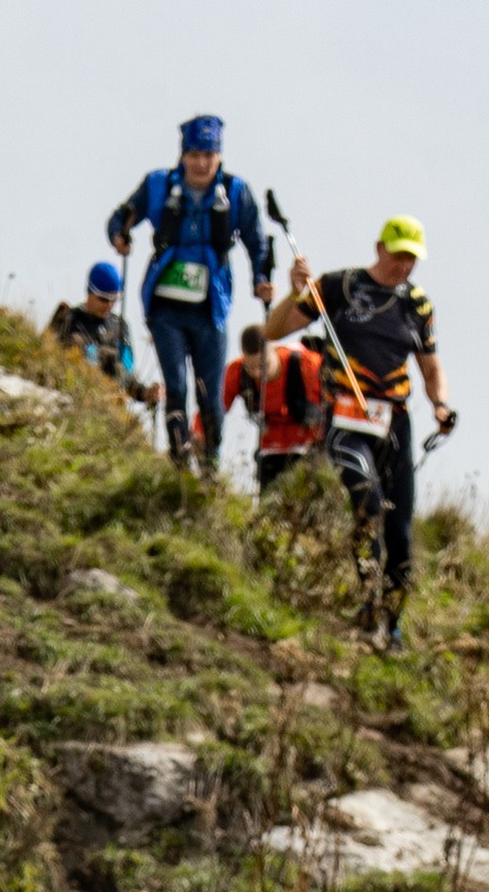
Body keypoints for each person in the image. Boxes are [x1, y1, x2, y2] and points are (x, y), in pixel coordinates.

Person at [263, 219, 454, 641]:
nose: (404, 264)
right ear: (380, 248)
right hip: (346, 415)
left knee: (400, 530)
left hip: (395, 421)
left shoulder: (418, 305)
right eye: (399, 254)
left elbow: (430, 366)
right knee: (368, 505)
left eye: (412, 258)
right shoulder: (338, 286)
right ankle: (367, 605)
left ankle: (393, 625)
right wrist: (296, 291)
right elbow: (276, 330)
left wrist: (440, 404)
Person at [107, 113, 272, 470]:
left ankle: (210, 463)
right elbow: (122, 216)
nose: (200, 163)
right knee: (177, 386)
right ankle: (179, 458)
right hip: (165, 307)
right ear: (182, 155)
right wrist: (120, 235)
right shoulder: (159, 186)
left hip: (211, 308)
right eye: (194, 154)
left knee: (209, 394)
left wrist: (261, 278)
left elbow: (257, 242)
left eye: (208, 156)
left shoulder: (236, 192)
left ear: (219, 157)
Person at [226, 318, 326, 489]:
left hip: (309, 451)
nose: (257, 373)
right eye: (251, 367)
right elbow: (213, 409)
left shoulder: (308, 364)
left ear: (275, 351)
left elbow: (333, 406)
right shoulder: (237, 372)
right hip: (269, 453)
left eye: (263, 365)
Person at [46, 260, 157, 410]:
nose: (109, 305)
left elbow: (126, 375)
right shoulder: (68, 320)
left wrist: (145, 393)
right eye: (104, 299)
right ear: (89, 292)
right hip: (74, 403)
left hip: (111, 410)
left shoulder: (120, 327)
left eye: (114, 299)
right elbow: (47, 358)